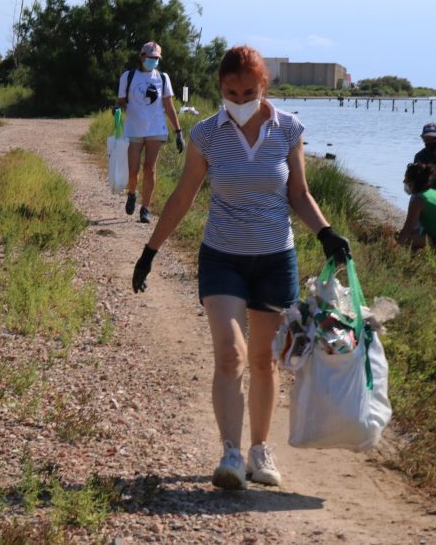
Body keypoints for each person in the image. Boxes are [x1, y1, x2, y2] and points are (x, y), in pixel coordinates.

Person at [130, 45, 350, 490]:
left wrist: (326, 233)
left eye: (249, 91)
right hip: (222, 258)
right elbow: (183, 196)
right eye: (231, 92)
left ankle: (259, 450)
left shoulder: (288, 129)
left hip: (275, 260)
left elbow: (299, 194)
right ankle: (231, 453)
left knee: (264, 361)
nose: (240, 99)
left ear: (263, 86)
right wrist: (150, 251)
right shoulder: (206, 134)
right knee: (231, 355)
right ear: (221, 89)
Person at [116, 41, 184, 224]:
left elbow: (169, 106)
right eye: (150, 57)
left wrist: (178, 131)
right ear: (142, 57)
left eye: (156, 58)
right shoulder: (128, 76)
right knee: (133, 170)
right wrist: (117, 108)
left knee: (149, 167)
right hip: (134, 129)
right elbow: (121, 101)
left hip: (156, 128)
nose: (153, 61)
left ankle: (145, 208)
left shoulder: (162, 78)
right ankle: (132, 193)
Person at [414, 122, 436, 191]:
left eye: (433, 139)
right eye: (426, 139)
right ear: (423, 138)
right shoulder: (420, 157)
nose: (429, 142)